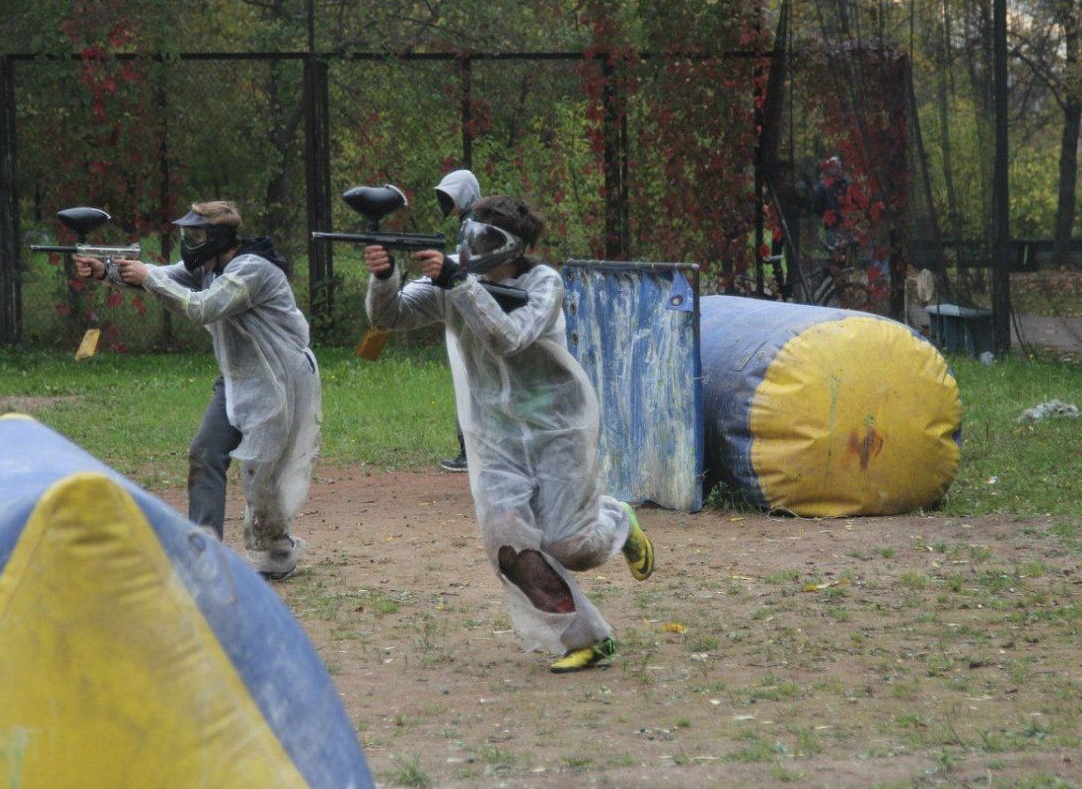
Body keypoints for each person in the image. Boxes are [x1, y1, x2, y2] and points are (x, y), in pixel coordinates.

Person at [363, 195, 654, 673]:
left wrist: (456, 283)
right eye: (470, 237)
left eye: (487, 240)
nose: (473, 249)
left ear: (516, 247)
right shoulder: (455, 280)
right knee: (508, 546)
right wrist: (383, 277)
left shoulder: (543, 283)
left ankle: (616, 520)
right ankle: (585, 637)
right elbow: (387, 317)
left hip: (560, 426)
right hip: (496, 435)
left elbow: (508, 337)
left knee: (571, 546)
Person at [73, 201, 320, 580]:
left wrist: (148, 277)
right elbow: (159, 274)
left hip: (282, 381)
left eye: (198, 235)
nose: (191, 242)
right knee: (205, 453)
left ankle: (277, 546)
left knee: (262, 473)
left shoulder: (251, 268)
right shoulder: (209, 266)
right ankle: (205, 553)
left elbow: (203, 307)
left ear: (220, 238)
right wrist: (106, 270)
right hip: (239, 380)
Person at [433, 168, 480, 473]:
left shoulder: (475, 225)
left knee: (469, 383)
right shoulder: (470, 223)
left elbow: (472, 266)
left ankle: (471, 450)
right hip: (470, 309)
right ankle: (470, 448)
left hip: (474, 310)